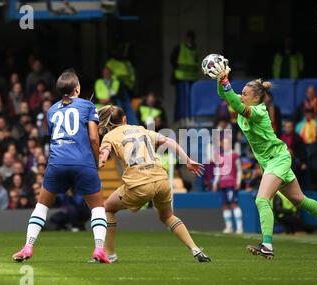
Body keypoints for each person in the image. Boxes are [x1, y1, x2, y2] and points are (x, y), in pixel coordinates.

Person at [209, 60, 317, 259]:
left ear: (256, 97)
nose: (241, 95)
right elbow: (225, 95)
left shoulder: (258, 111)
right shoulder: (245, 103)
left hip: (278, 159)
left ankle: (267, 245)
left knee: (261, 199)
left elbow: (235, 103)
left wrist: (225, 82)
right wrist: (220, 79)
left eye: (245, 93)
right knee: (300, 200)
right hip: (271, 161)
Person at [12, 69, 111, 264]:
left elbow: (53, 137)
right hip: (83, 162)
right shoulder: (88, 105)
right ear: (77, 88)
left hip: (57, 162)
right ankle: (99, 249)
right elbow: (93, 136)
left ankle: (28, 245)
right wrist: (96, 158)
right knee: (97, 208)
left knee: (42, 206)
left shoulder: (51, 110)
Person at [97, 105, 210, 263]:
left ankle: (109, 253)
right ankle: (195, 248)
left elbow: (103, 156)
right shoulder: (140, 129)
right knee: (167, 216)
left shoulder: (109, 137)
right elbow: (168, 140)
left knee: (107, 208)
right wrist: (188, 160)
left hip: (139, 184)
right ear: (124, 119)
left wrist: (99, 161)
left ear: (107, 124)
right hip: (161, 180)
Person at [212, 137, 243, 234]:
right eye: (224, 143)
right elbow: (217, 171)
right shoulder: (220, 156)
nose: (225, 145)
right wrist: (215, 183)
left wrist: (238, 182)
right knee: (225, 205)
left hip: (231, 184)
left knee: (234, 204)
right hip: (223, 184)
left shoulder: (235, 156)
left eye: (227, 143)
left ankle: (239, 228)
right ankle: (229, 227)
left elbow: (239, 170)